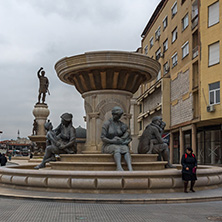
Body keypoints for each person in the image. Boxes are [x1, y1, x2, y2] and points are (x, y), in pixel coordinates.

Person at [101, 106, 133, 171]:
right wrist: (112, 141)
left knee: (126, 149)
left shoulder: (121, 124)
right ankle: (119, 167)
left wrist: (122, 139)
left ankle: (130, 168)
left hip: (120, 144)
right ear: (113, 114)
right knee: (116, 149)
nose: (119, 117)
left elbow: (127, 132)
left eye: (120, 116)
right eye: (118, 115)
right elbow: (103, 137)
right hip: (108, 145)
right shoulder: (107, 124)